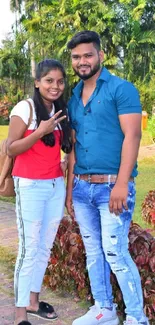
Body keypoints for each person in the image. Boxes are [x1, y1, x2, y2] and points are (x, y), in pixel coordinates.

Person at [66, 30, 149, 325]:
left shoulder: (121, 89)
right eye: (76, 57)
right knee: (93, 252)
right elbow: (73, 147)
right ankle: (104, 309)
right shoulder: (73, 97)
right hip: (82, 188)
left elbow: (133, 136)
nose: (82, 61)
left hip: (112, 186)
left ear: (100, 55)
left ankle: (137, 318)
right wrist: (69, 192)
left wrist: (122, 183)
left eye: (88, 55)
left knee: (115, 251)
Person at [7, 59, 72, 325]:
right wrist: (40, 131)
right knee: (28, 249)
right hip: (30, 186)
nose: (55, 86)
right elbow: (10, 148)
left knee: (44, 247)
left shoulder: (60, 110)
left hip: (55, 185)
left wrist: (63, 160)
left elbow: (57, 148)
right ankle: (20, 313)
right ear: (37, 82)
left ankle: (33, 301)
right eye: (48, 80)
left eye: (59, 81)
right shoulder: (26, 107)